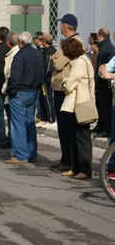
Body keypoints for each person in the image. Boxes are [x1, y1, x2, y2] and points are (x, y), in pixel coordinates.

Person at [50, 14, 85, 173]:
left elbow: (57, 63)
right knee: (63, 127)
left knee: (66, 127)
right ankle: (65, 158)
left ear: (65, 25)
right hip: (61, 89)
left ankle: (68, 161)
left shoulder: (73, 43)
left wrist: (54, 58)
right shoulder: (69, 42)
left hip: (64, 90)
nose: (60, 27)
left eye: (61, 25)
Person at [5, 31, 44, 164]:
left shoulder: (19, 56)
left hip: (20, 92)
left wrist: (11, 90)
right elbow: (41, 74)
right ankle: (31, 152)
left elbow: (15, 77)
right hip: (33, 92)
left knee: (18, 123)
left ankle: (20, 154)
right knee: (29, 123)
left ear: (20, 43)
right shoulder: (38, 54)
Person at [60, 38, 94, 179]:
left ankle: (85, 170)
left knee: (82, 138)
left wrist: (65, 83)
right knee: (74, 137)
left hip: (81, 105)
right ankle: (76, 167)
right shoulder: (81, 61)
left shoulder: (80, 63)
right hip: (77, 104)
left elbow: (69, 84)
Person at [93, 28, 115, 138]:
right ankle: (103, 126)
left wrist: (101, 78)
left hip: (104, 84)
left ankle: (106, 129)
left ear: (100, 36)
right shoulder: (106, 47)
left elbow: (105, 67)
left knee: (105, 107)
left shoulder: (106, 48)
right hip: (104, 81)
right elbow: (105, 66)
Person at [37, 33, 57, 127]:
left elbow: (48, 67)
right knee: (41, 98)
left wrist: (43, 77)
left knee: (48, 99)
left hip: (47, 80)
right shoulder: (44, 51)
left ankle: (51, 119)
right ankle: (44, 118)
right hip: (43, 79)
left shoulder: (51, 52)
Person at [1, 32, 20, 103]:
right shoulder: (19, 51)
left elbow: (9, 73)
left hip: (13, 88)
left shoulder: (13, 54)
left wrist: (4, 88)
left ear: (8, 42)